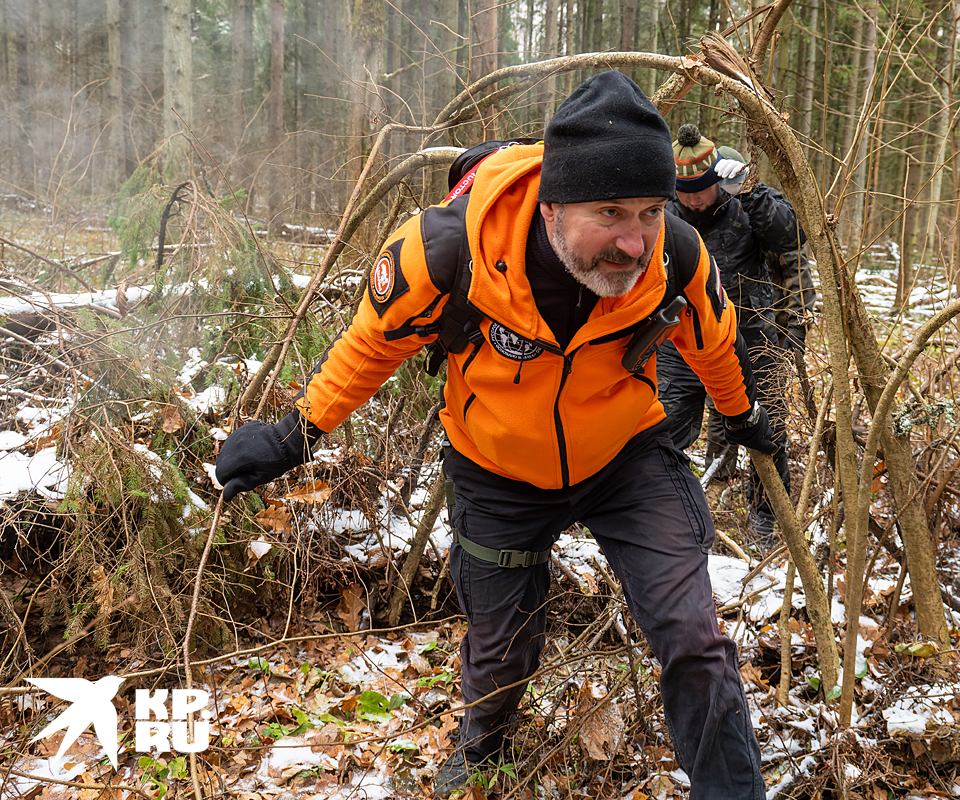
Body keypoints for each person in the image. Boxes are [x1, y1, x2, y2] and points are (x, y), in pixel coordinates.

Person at [214, 72, 775, 800]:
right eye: (609, 212)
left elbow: (712, 343)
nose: (633, 241)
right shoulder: (448, 251)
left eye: (648, 210)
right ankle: (484, 745)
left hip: (624, 457)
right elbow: (370, 345)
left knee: (693, 636)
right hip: (495, 468)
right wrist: (294, 436)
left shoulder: (675, 257)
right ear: (551, 205)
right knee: (502, 647)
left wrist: (743, 417)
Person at [657, 125, 814, 547]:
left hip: (751, 335)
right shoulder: (662, 212)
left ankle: (766, 518)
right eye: (684, 190)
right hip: (681, 339)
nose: (694, 199)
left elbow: (793, 237)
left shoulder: (744, 203)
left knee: (768, 430)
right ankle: (665, 514)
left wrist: (752, 191)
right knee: (664, 425)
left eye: (702, 190)